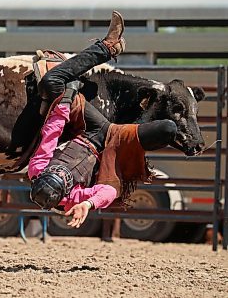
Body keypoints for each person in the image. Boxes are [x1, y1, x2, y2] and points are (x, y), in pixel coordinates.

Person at [28, 12, 177, 228]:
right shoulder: (72, 199)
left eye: (54, 171)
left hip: (89, 129)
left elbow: (51, 134)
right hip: (109, 148)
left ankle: (108, 47)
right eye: (61, 177)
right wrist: (88, 204)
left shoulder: (37, 169)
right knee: (168, 128)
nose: (58, 171)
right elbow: (108, 191)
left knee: (53, 81)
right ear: (65, 191)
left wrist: (64, 101)